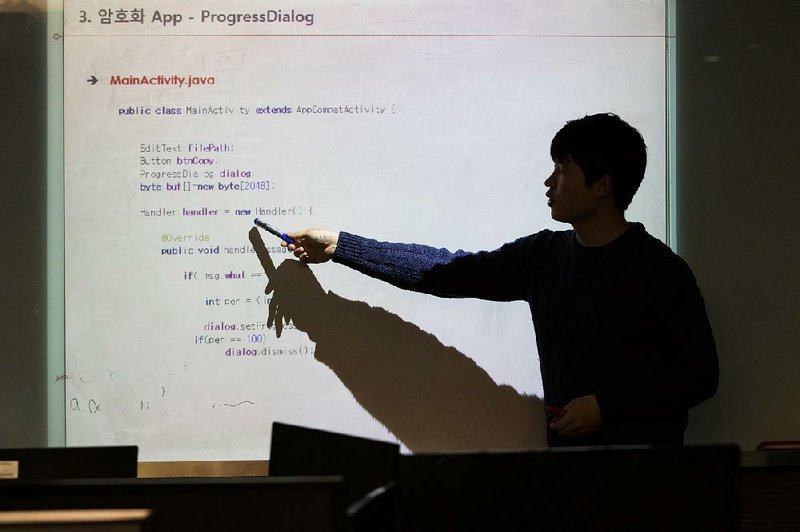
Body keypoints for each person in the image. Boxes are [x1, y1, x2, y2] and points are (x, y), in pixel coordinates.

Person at [279, 113, 719, 447]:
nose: (549, 183)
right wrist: (341, 246)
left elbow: (700, 376)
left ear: (602, 185)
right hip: (572, 478)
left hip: (651, 483)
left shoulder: (660, 271)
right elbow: (445, 272)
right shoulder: (545, 256)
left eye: (563, 171)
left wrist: (608, 406)